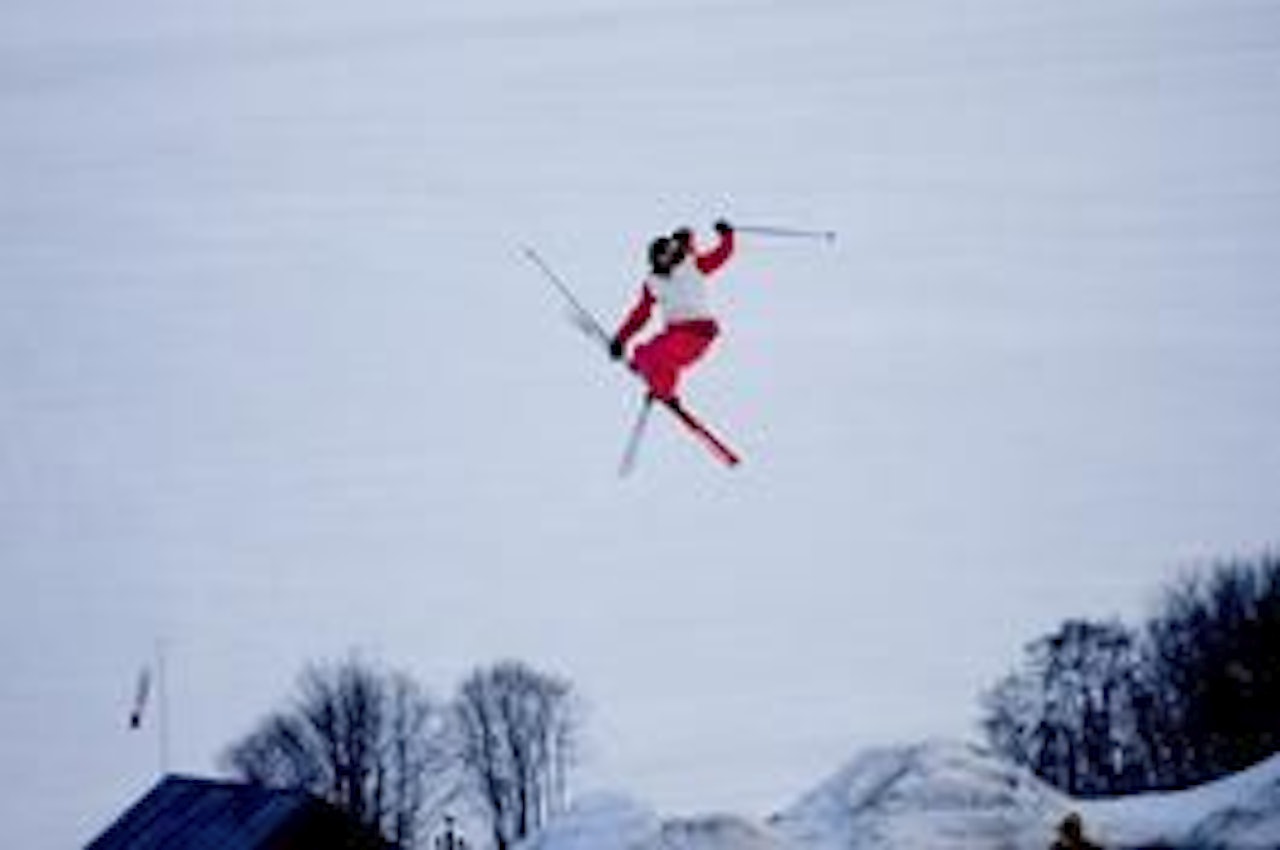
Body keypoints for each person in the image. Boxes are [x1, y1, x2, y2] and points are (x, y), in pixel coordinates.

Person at [609, 220, 736, 403]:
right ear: (654, 259)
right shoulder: (653, 283)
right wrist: (621, 339)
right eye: (662, 256)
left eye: (670, 252)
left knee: (657, 355)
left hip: (698, 334)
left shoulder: (693, 265)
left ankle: (664, 390)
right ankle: (655, 380)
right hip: (674, 333)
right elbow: (640, 315)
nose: (667, 258)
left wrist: (727, 236)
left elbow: (720, 256)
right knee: (645, 351)